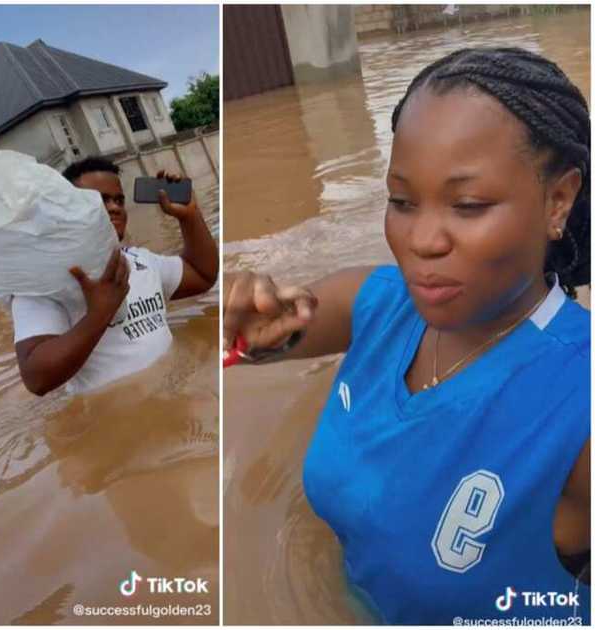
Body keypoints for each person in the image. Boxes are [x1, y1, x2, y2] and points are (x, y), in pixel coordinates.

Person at [223, 47, 590, 624]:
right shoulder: (373, 303)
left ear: (558, 200)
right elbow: (254, 341)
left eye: (467, 204)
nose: (421, 240)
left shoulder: (581, 398)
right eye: (401, 201)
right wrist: (244, 332)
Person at [12, 158, 219, 395]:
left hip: (175, 396)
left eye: (118, 199)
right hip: (120, 419)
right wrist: (100, 312)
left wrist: (189, 216)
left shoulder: (140, 261)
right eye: (99, 200)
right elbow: (36, 378)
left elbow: (203, 274)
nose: (114, 207)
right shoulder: (45, 283)